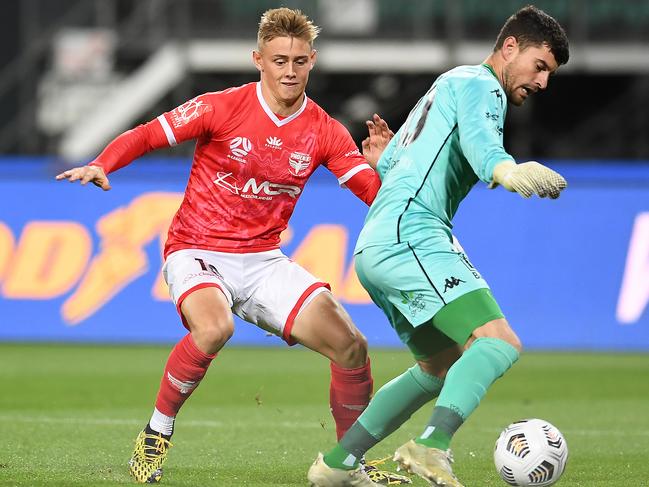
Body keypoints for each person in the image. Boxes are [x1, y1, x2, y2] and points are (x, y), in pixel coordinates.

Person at [56, 7, 411, 486]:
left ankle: (349, 466)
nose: (290, 70)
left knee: (351, 347)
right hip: (196, 249)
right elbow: (148, 133)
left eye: (300, 61)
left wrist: (386, 169)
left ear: (312, 61)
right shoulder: (220, 107)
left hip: (264, 261)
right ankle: (158, 430)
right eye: (279, 60)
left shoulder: (323, 129)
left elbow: (374, 196)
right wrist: (104, 162)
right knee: (214, 327)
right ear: (258, 60)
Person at [308, 5, 569, 487]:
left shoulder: (451, 81)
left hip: (378, 244)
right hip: (414, 235)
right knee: (498, 343)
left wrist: (385, 162)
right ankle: (431, 446)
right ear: (510, 47)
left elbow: (402, 170)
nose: (543, 81)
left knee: (438, 366)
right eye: (540, 66)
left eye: (549, 74)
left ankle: (336, 466)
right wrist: (507, 171)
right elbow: (481, 144)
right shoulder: (482, 87)